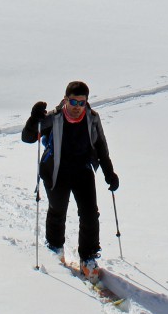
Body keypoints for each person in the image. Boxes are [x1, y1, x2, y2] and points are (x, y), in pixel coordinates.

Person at [21, 80, 119, 279]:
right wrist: (33, 119)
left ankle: (88, 257)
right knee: (58, 210)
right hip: (56, 170)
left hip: (82, 170)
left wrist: (109, 173)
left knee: (90, 214)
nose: (77, 108)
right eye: (73, 102)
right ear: (66, 100)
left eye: (82, 103)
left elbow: (101, 147)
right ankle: (55, 248)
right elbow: (28, 138)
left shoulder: (92, 118)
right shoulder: (53, 118)